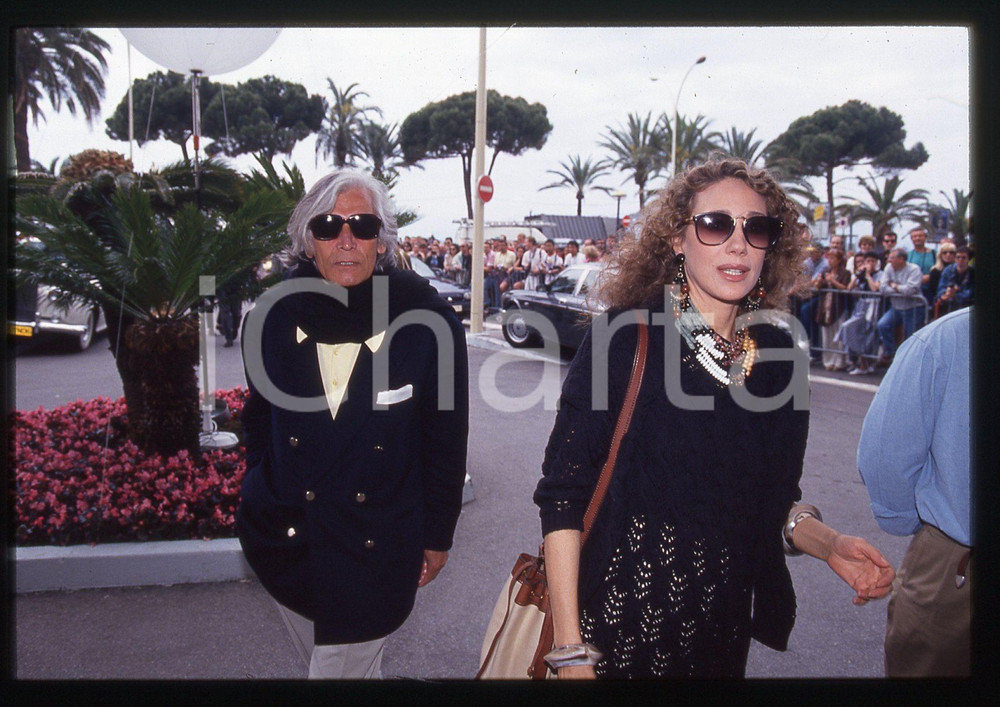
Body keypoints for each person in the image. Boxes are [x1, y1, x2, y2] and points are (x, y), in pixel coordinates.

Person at [533, 158, 894, 679]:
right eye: (716, 224)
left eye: (757, 227)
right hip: (612, 635)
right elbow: (562, 498)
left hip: (719, 641)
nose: (739, 243)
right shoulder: (625, 337)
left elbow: (771, 502)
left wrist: (828, 544)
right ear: (679, 239)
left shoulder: (779, 358)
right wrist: (571, 651)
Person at [236, 169, 469, 679]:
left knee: (338, 670)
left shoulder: (427, 324)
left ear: (380, 240)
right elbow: (258, 416)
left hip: (376, 545)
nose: (346, 239)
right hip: (287, 541)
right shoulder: (270, 319)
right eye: (328, 225)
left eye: (362, 225)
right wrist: (258, 487)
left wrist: (438, 534)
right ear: (308, 239)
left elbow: (445, 440)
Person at [857, 306, 971, 677]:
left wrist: (910, 520)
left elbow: (886, 453)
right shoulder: (945, 339)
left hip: (954, 559)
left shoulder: (944, 339)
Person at [835, 252, 883, 375]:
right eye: (868, 261)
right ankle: (858, 361)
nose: (870, 264)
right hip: (861, 306)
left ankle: (867, 363)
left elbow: (875, 288)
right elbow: (849, 288)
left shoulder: (879, 274)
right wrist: (857, 275)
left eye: (873, 261)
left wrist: (868, 276)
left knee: (869, 336)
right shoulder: (860, 274)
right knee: (851, 329)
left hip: (873, 306)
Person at [875, 248, 925, 364]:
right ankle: (891, 351)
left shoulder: (914, 269)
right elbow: (883, 289)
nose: (888, 260)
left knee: (911, 336)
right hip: (896, 307)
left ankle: (911, 362)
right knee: (882, 325)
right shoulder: (889, 268)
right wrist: (898, 288)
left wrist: (893, 286)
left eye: (892, 258)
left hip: (913, 308)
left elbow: (910, 290)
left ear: (901, 259)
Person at [815, 248, 851, 370]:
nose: (830, 260)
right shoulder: (826, 271)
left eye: (833, 258)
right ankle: (828, 361)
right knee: (827, 337)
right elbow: (817, 287)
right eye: (828, 258)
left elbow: (844, 287)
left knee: (838, 336)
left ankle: (839, 362)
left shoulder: (845, 273)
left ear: (839, 260)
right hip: (826, 306)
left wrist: (832, 281)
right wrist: (819, 282)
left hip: (838, 307)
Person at [934, 245, 973, 317]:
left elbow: (972, 292)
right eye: (958, 257)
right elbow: (940, 289)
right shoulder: (948, 270)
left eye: (963, 257)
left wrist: (955, 295)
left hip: (966, 308)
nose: (960, 260)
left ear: (969, 259)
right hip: (947, 308)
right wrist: (945, 293)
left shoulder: (973, 272)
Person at [905, 227, 936, 299]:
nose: (917, 238)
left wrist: (930, 277)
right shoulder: (907, 255)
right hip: (911, 292)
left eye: (920, 236)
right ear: (911, 239)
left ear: (925, 237)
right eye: (915, 236)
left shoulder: (934, 254)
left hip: (929, 291)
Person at [925, 242, 955, 307]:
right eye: (945, 252)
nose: (948, 254)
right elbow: (932, 290)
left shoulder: (958, 269)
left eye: (951, 252)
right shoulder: (935, 270)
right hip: (939, 303)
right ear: (940, 254)